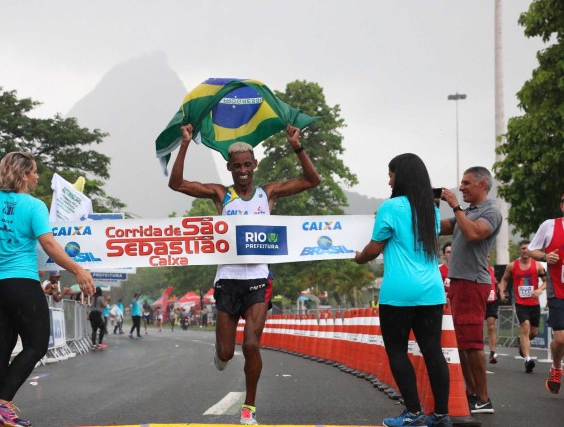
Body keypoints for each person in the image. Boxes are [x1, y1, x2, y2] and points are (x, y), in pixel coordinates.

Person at [169, 123, 320, 425]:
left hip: (258, 281)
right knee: (226, 354)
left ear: (255, 165)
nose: (242, 170)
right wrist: (184, 143)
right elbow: (177, 184)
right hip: (227, 281)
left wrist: (297, 147)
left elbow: (311, 180)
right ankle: (220, 354)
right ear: (229, 167)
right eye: (237, 166)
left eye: (247, 165)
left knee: (251, 344)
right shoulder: (220, 194)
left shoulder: (268, 194)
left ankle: (249, 407)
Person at [0, 151, 95, 427]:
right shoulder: (35, 206)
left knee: (1, 348)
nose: (37, 176)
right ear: (24, 175)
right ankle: (1, 404)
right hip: (22, 284)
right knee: (36, 344)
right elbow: (49, 245)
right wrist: (79, 269)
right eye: (34, 171)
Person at [355, 153, 450, 427]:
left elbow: (374, 249)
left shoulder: (390, 207)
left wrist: (358, 257)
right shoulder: (430, 209)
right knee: (433, 352)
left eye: (391, 174)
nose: (388, 180)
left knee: (397, 351)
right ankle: (442, 415)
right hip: (432, 291)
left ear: (401, 176)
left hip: (400, 293)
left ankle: (413, 413)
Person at [439, 166, 502, 414]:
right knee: (463, 343)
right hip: (459, 282)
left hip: (472, 281)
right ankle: (471, 392)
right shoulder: (468, 212)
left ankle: (483, 397)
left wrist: (455, 206)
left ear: (482, 185)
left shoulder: (490, 212)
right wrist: (431, 205)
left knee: (472, 343)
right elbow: (439, 226)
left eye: (466, 183)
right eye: (461, 183)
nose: (461, 187)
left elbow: (474, 233)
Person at [527, 196, 564, 394]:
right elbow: (531, 250)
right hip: (557, 289)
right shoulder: (550, 226)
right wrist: (545, 257)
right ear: (561, 206)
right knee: (561, 339)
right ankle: (556, 367)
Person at [498, 240, 546, 373]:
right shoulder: (512, 266)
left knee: (533, 332)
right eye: (523, 248)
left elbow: (546, 282)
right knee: (525, 327)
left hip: (534, 303)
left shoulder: (537, 266)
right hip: (520, 302)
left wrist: (539, 290)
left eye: (528, 248)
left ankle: (522, 344)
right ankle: (527, 359)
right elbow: (504, 279)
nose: (526, 250)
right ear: (520, 251)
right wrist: (502, 292)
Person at [485, 255, 499, 364]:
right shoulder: (475, 269)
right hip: (479, 301)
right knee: (478, 327)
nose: (486, 258)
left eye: (489, 256)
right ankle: (477, 350)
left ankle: (492, 352)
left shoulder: (492, 270)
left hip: (491, 301)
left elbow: (497, 283)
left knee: (491, 326)